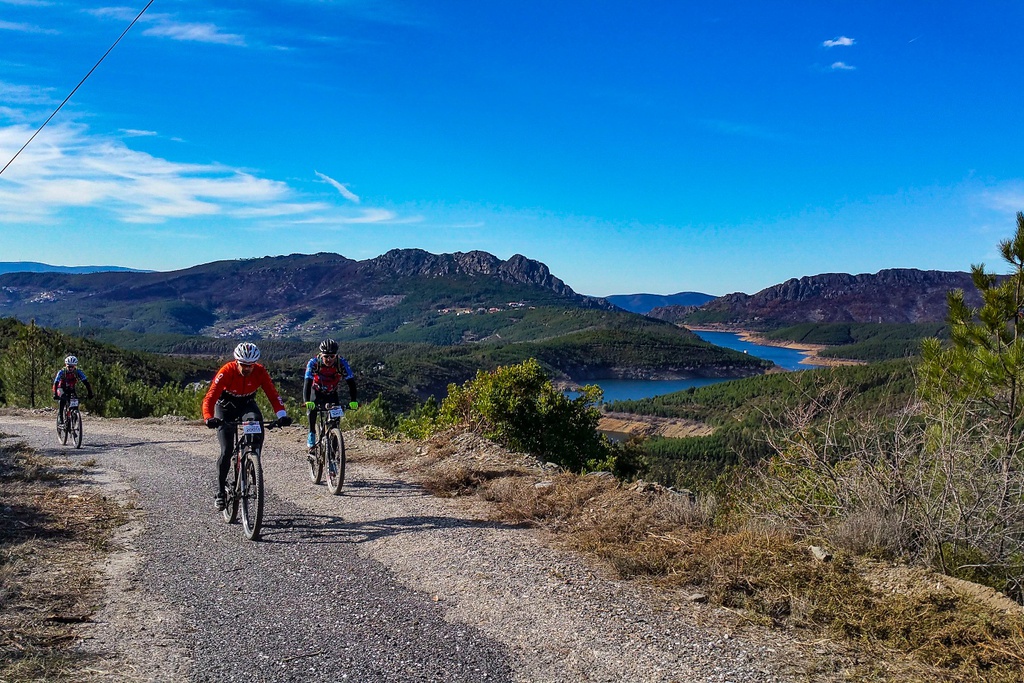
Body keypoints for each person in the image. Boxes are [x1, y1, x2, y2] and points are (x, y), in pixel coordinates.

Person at [202, 342, 291, 511]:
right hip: (225, 407)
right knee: (227, 450)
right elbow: (210, 397)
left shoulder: (260, 371)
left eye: (250, 365)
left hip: (247, 405)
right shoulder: (226, 371)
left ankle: (252, 462)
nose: (247, 369)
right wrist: (208, 417)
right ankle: (221, 492)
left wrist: (281, 415)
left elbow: (273, 394)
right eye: (243, 365)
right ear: (237, 362)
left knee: (257, 428)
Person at [302, 338, 357, 451]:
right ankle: (312, 432)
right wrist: (306, 400)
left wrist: (353, 400)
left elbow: (351, 382)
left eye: (332, 356)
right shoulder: (314, 363)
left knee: (336, 422)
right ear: (321, 355)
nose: (329, 359)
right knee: (312, 408)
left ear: (336, 355)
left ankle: (334, 451)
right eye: (326, 356)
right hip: (316, 392)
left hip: (332, 393)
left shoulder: (341, 363)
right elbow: (307, 382)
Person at [53, 355, 94, 426]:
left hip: (71, 388)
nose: (71, 368)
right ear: (66, 365)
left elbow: (86, 382)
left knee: (75, 402)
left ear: (75, 366)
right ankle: (61, 418)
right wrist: (55, 394)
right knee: (62, 400)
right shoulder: (62, 372)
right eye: (69, 366)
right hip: (61, 388)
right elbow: (56, 382)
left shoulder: (77, 371)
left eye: (73, 366)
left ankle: (74, 416)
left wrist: (90, 392)